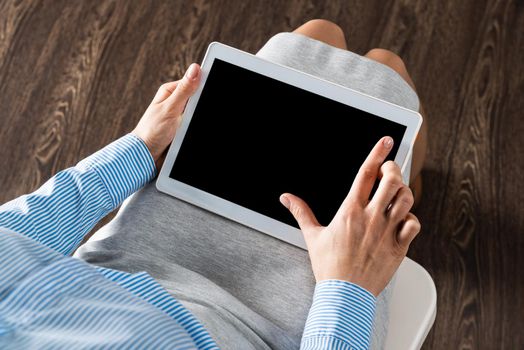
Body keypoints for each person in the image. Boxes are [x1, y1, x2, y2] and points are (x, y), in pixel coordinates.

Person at [0, 19, 423, 349]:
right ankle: (414, 181)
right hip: (270, 332)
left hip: (125, 264)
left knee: (315, 35)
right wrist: (347, 285)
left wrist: (140, 150)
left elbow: (10, 241)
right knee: (390, 70)